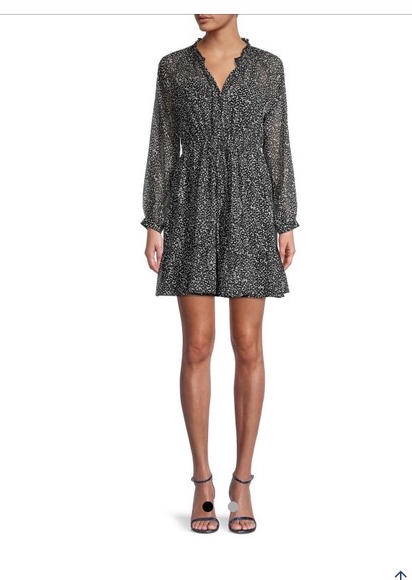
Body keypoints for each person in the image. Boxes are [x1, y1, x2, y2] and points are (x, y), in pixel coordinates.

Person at [141, 14, 299, 534]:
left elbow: (277, 144)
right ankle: (202, 481)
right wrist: (155, 220)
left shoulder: (268, 68)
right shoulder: (173, 68)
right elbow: (163, 144)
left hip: (252, 209)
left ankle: (243, 482)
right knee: (197, 345)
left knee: (248, 344)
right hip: (191, 206)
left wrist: (285, 219)